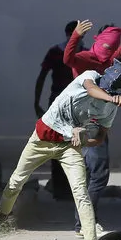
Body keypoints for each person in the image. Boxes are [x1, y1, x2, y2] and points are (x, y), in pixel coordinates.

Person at [0, 58, 121, 240]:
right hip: (42, 139)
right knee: (17, 180)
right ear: (109, 71)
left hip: (68, 146)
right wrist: (109, 97)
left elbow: (99, 138)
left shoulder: (111, 108)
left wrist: (84, 140)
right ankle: (1, 215)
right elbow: (91, 90)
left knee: (81, 192)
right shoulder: (89, 76)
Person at [64, 20, 121, 238]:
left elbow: (112, 60)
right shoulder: (85, 60)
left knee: (90, 176)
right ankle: (85, 223)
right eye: (108, 43)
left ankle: (84, 222)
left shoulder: (101, 61)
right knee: (97, 175)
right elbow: (68, 59)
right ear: (98, 41)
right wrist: (75, 36)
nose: (110, 48)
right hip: (87, 123)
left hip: (93, 121)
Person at [34, 21, 89, 200]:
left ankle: (69, 188)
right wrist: (36, 102)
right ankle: (62, 188)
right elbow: (42, 76)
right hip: (63, 103)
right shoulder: (59, 52)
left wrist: (36, 102)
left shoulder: (84, 54)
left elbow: (42, 77)